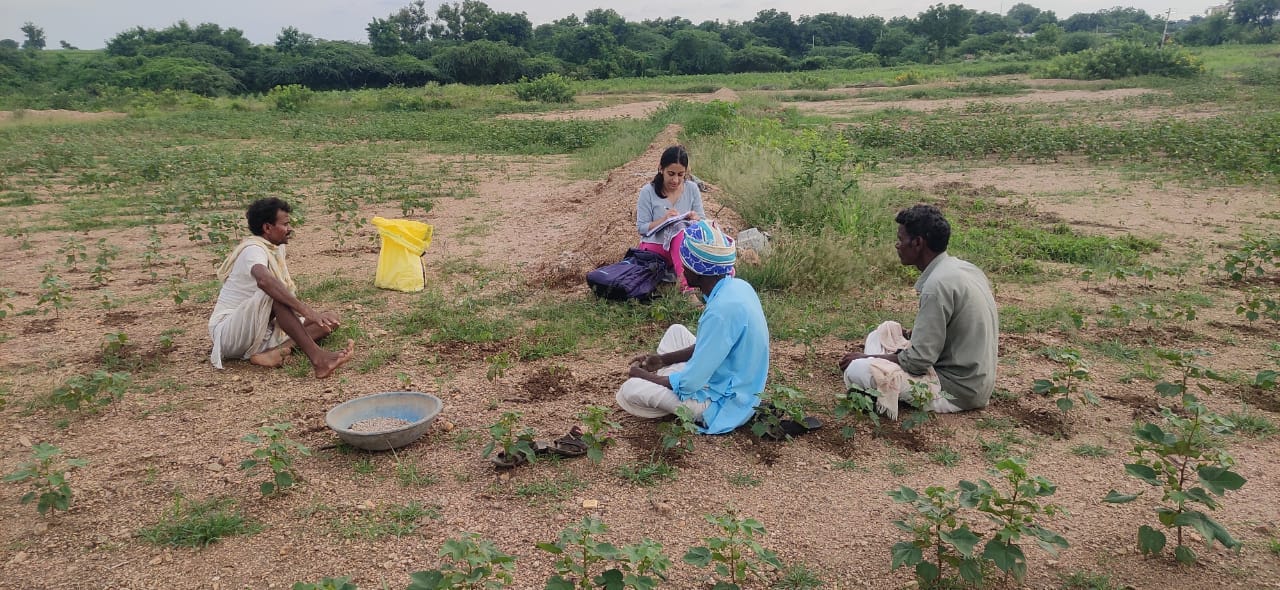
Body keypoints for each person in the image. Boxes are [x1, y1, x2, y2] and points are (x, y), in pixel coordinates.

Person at [839, 204, 998, 419]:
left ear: (917, 243)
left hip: (955, 390)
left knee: (858, 369)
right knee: (884, 331)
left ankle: (877, 396)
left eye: (901, 239)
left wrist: (868, 357)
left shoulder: (936, 286)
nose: (897, 245)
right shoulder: (964, 268)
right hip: (975, 379)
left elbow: (917, 361)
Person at [617, 221, 769, 434]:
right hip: (739, 382)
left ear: (698, 271)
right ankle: (669, 375)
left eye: (685, 263)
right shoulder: (738, 287)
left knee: (629, 391)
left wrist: (643, 376)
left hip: (725, 404)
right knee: (676, 331)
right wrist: (663, 360)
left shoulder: (720, 312)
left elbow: (690, 383)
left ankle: (681, 401)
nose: (682, 268)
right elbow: (712, 345)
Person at [208, 197, 355, 378]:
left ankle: (273, 353)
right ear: (267, 228)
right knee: (273, 293)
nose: (289, 229)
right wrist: (305, 310)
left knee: (329, 321)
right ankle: (319, 360)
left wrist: (311, 315)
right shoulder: (253, 250)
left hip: (259, 329)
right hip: (229, 334)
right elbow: (264, 281)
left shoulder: (275, 248)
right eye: (285, 224)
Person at [636, 145, 704, 293]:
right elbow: (641, 228)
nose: (675, 180)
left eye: (681, 175)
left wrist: (695, 218)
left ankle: (724, 279)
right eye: (671, 173)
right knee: (677, 231)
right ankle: (687, 289)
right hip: (655, 246)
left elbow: (702, 220)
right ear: (661, 169)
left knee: (686, 231)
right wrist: (664, 220)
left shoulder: (692, 189)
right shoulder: (647, 192)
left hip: (686, 246)